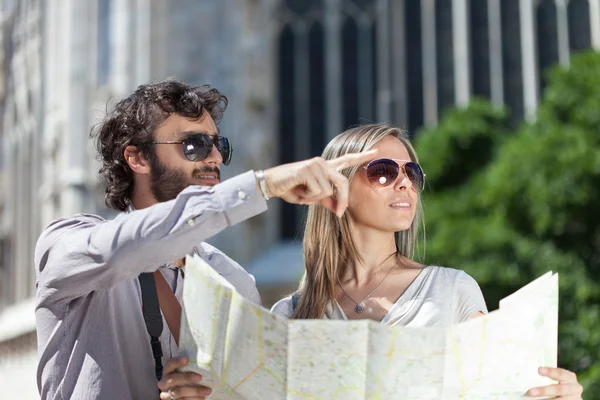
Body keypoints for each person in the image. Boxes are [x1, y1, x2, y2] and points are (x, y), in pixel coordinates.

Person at [33, 79, 377, 400]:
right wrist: (262, 185)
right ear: (137, 157)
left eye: (218, 144)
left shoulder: (233, 280)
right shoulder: (69, 244)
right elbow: (126, 248)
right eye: (193, 145)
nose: (214, 157)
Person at [271, 123, 583, 399]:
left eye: (412, 172)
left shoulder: (451, 290)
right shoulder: (290, 313)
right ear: (337, 187)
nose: (404, 183)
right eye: (383, 172)